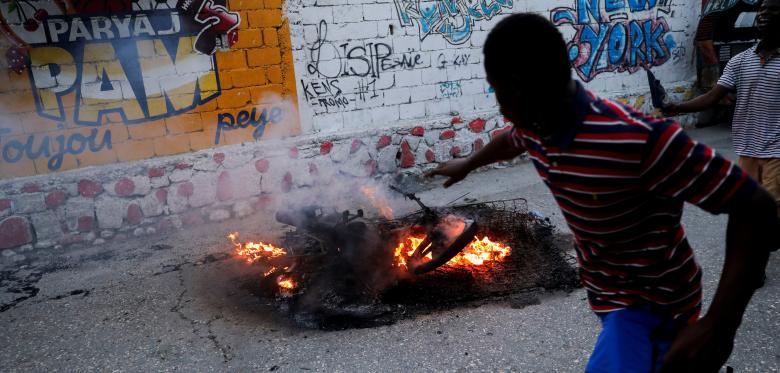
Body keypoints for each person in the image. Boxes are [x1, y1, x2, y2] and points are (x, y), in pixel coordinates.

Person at [426, 13, 775, 373]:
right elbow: (509, 143)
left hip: (652, 307)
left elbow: (756, 206)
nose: (498, 105)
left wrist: (720, 325)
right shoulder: (538, 124)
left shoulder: (637, 140)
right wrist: (466, 164)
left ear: (518, 86)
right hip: (607, 295)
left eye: (497, 90)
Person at [664, 0, 780, 216]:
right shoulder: (741, 61)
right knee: (750, 210)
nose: (764, 15)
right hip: (748, 150)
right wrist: (676, 107)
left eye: (773, 10)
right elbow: (713, 97)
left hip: (777, 152)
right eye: (762, 10)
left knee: (772, 210)